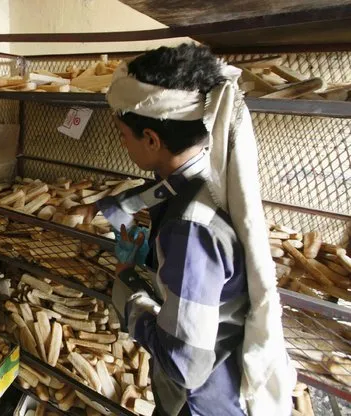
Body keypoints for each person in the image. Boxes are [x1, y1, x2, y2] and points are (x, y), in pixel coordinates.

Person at [73, 44, 295, 415]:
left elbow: (185, 365)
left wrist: (128, 284)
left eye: (123, 134)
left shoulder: (189, 231)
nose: (122, 142)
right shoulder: (206, 172)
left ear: (152, 139)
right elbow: (158, 191)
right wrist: (101, 207)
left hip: (205, 402)